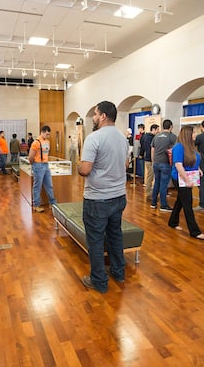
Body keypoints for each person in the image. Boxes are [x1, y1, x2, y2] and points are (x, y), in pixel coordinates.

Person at [78, 101, 128, 293]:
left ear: (104, 116)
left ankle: (99, 281)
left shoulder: (94, 138)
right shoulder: (123, 139)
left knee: (96, 240)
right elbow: (124, 166)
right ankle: (118, 272)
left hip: (97, 199)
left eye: (96, 114)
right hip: (119, 197)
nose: (94, 117)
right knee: (115, 235)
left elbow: (85, 169)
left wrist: (78, 168)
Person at [168, 126, 204, 240]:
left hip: (189, 177)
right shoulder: (178, 147)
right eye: (194, 132)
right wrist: (186, 180)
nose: (196, 134)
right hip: (181, 178)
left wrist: (198, 169)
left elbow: (193, 160)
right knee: (187, 203)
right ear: (187, 134)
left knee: (181, 200)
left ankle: (173, 221)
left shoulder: (191, 147)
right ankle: (194, 231)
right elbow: (178, 165)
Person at [28, 126, 57, 213]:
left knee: (49, 185)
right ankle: (36, 205)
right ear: (43, 132)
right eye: (47, 134)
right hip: (38, 165)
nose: (48, 136)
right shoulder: (35, 143)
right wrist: (34, 164)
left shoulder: (47, 141)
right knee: (37, 186)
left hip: (46, 165)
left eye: (49, 134)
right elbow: (31, 156)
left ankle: (52, 202)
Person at [151, 119, 176, 212]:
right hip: (165, 163)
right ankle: (163, 205)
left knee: (157, 182)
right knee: (163, 184)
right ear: (171, 127)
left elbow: (152, 150)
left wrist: (154, 161)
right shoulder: (172, 137)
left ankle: (153, 203)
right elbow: (176, 149)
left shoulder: (156, 136)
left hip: (156, 163)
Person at [140, 124, 158, 200]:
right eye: (157, 130)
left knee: (150, 176)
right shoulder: (152, 138)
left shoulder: (144, 136)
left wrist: (141, 154)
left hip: (147, 158)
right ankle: (148, 194)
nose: (158, 131)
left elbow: (142, 147)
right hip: (150, 159)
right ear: (153, 129)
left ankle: (150, 193)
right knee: (150, 177)